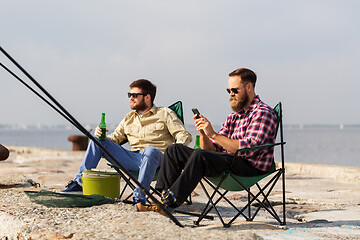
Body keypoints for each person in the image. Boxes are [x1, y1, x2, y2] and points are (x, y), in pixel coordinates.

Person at [146, 67, 278, 212]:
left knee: (199, 156)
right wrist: (204, 133)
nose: (231, 95)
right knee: (174, 150)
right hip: (230, 162)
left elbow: (247, 150)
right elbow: (211, 150)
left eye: (235, 90)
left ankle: (171, 201)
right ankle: (161, 195)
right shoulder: (233, 117)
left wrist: (214, 135)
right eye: (229, 91)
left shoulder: (263, 112)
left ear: (249, 87)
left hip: (249, 168)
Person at [62, 79, 192, 206]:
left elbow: (183, 135)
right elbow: (115, 139)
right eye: (129, 95)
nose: (131, 98)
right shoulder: (129, 118)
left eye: (134, 95)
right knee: (97, 141)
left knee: (150, 150)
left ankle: (139, 197)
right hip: (133, 158)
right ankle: (79, 184)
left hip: (159, 159)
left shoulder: (165, 113)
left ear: (147, 97)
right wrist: (101, 136)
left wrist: (175, 150)